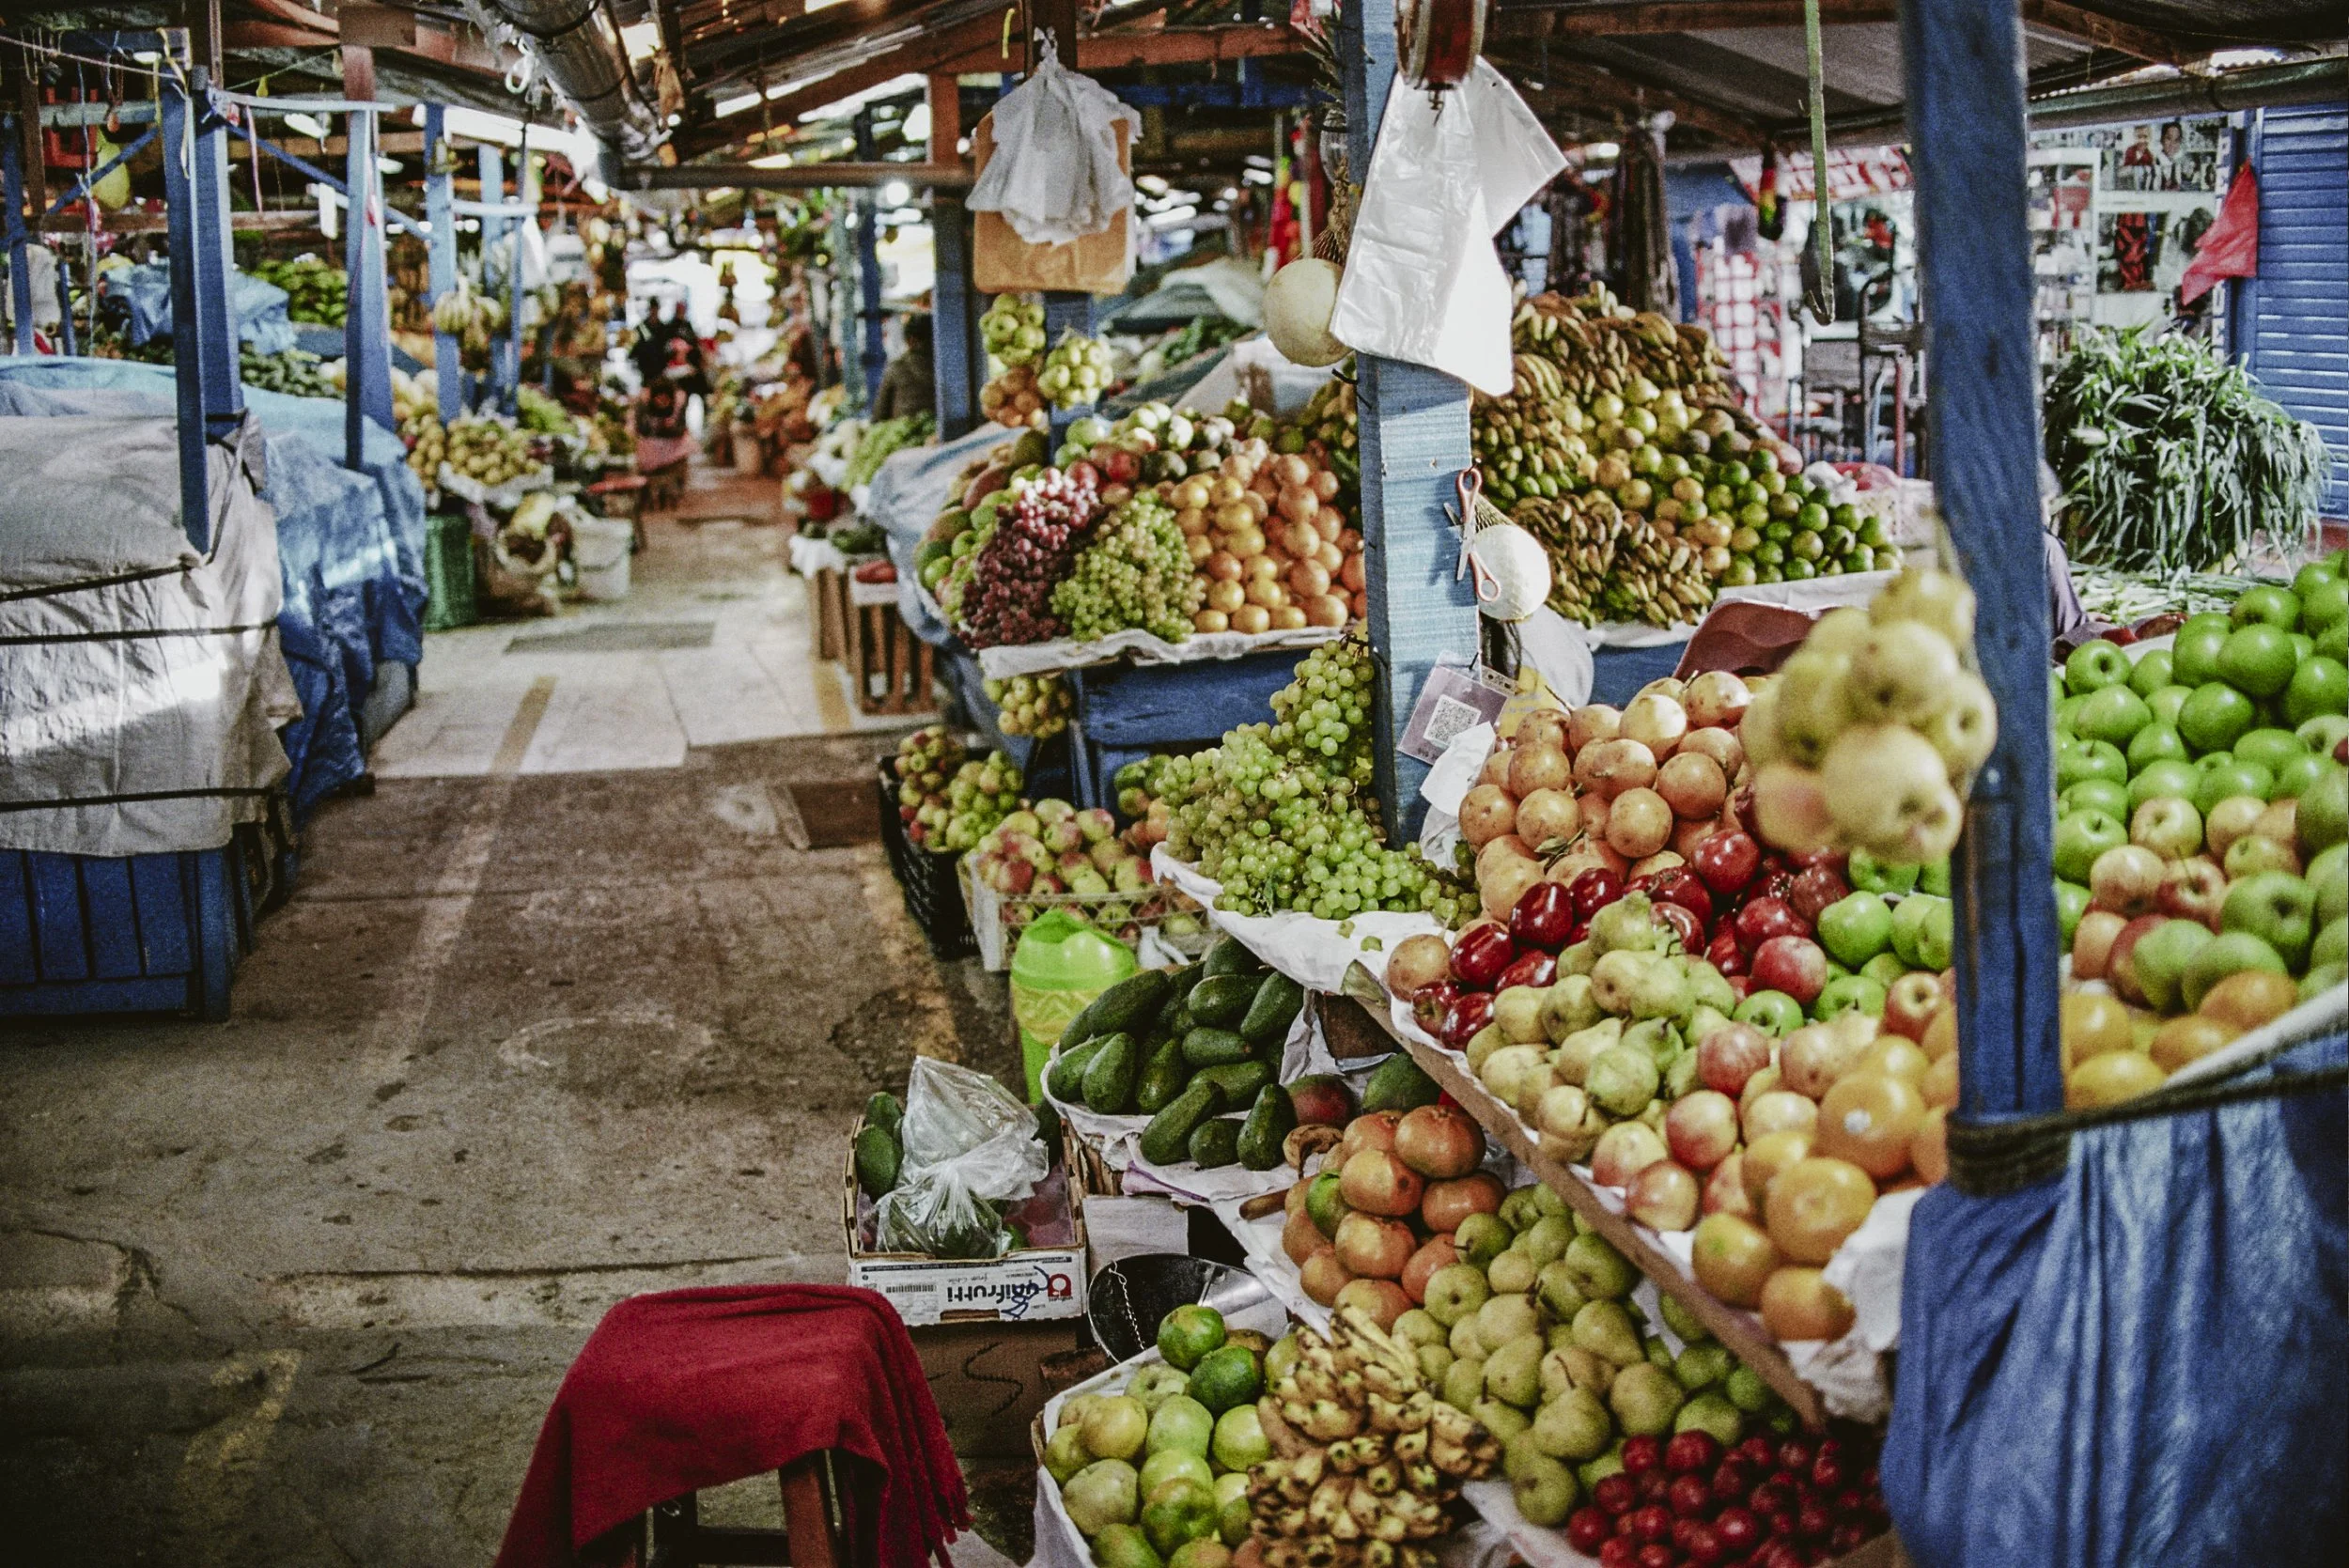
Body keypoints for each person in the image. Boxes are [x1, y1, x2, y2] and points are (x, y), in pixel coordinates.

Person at [870, 313, 935, 423]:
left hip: (906, 431)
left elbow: (879, 415)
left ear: (910, 340)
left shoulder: (896, 367)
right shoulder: (948, 368)